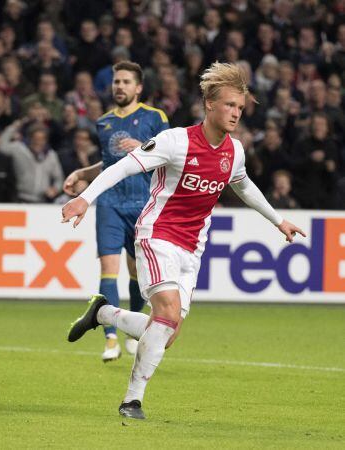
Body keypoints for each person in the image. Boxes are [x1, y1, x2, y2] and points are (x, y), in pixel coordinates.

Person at [61, 62, 305, 420]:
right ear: (209, 104)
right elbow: (123, 166)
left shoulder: (234, 151)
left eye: (240, 107)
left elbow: (244, 185)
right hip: (156, 235)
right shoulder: (175, 141)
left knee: (165, 332)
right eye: (229, 105)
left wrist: (277, 220)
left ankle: (102, 312)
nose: (236, 113)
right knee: (168, 315)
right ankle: (132, 401)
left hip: (193, 248)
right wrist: (86, 197)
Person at [62, 61, 169, 362]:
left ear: (138, 88)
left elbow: (172, 159)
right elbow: (110, 165)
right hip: (110, 203)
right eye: (116, 82)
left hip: (142, 206)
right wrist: (83, 173)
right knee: (108, 268)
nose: (119, 86)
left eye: (125, 82)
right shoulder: (104, 122)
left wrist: (145, 146)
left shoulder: (155, 117)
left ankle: (133, 328)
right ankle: (110, 339)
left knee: (137, 273)